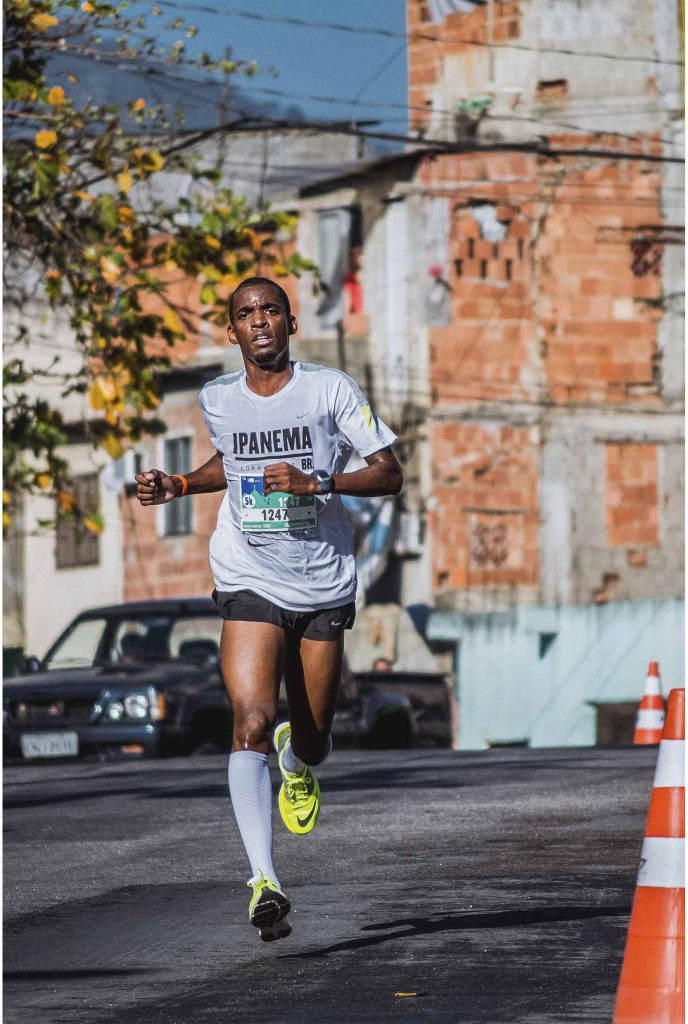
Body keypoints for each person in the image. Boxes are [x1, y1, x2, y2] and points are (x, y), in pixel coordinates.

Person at [135, 276, 402, 941]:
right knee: (249, 719)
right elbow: (228, 463)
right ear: (232, 332)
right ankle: (264, 880)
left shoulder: (330, 389)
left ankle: (298, 759)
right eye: (245, 313)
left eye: (270, 310)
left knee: (309, 737)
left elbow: (389, 472)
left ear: (290, 322)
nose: (259, 321)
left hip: (320, 581)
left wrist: (321, 482)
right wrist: (179, 484)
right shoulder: (217, 398)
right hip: (248, 572)